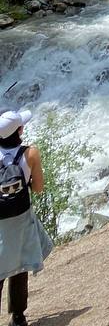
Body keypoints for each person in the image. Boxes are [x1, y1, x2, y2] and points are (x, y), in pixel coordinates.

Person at [0, 108, 52, 326]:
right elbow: (38, 188)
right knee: (19, 268)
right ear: (20, 130)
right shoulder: (31, 153)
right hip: (21, 219)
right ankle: (18, 318)